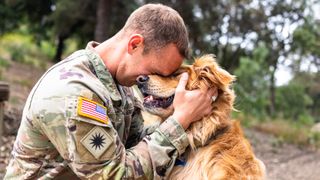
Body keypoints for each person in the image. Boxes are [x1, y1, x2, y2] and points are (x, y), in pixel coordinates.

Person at [4, 3, 216, 179]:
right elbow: (115, 174)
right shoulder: (74, 92)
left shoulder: (121, 85)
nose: (151, 82)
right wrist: (179, 122)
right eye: (153, 72)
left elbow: (137, 144)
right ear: (134, 45)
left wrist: (191, 120)